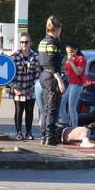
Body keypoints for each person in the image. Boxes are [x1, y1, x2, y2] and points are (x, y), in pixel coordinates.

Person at [37, 16, 65, 146]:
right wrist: (59, 80)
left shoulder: (43, 41)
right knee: (52, 108)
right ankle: (50, 137)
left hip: (43, 75)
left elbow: (41, 61)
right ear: (57, 29)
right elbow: (51, 62)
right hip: (52, 76)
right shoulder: (53, 43)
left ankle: (44, 135)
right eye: (60, 30)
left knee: (46, 108)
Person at [9, 34, 40, 141]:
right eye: (22, 42)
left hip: (30, 88)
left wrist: (33, 87)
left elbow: (37, 73)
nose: (24, 44)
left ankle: (29, 132)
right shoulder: (14, 56)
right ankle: (18, 132)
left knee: (30, 111)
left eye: (26, 42)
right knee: (19, 110)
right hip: (18, 87)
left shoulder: (35, 56)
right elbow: (9, 74)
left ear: (30, 43)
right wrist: (14, 86)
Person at [59, 43, 86, 128]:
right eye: (67, 52)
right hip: (70, 84)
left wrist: (71, 62)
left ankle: (74, 127)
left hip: (77, 84)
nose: (70, 54)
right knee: (62, 102)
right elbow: (67, 71)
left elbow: (78, 72)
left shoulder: (81, 59)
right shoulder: (69, 59)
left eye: (71, 52)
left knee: (72, 107)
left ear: (76, 50)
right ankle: (65, 122)